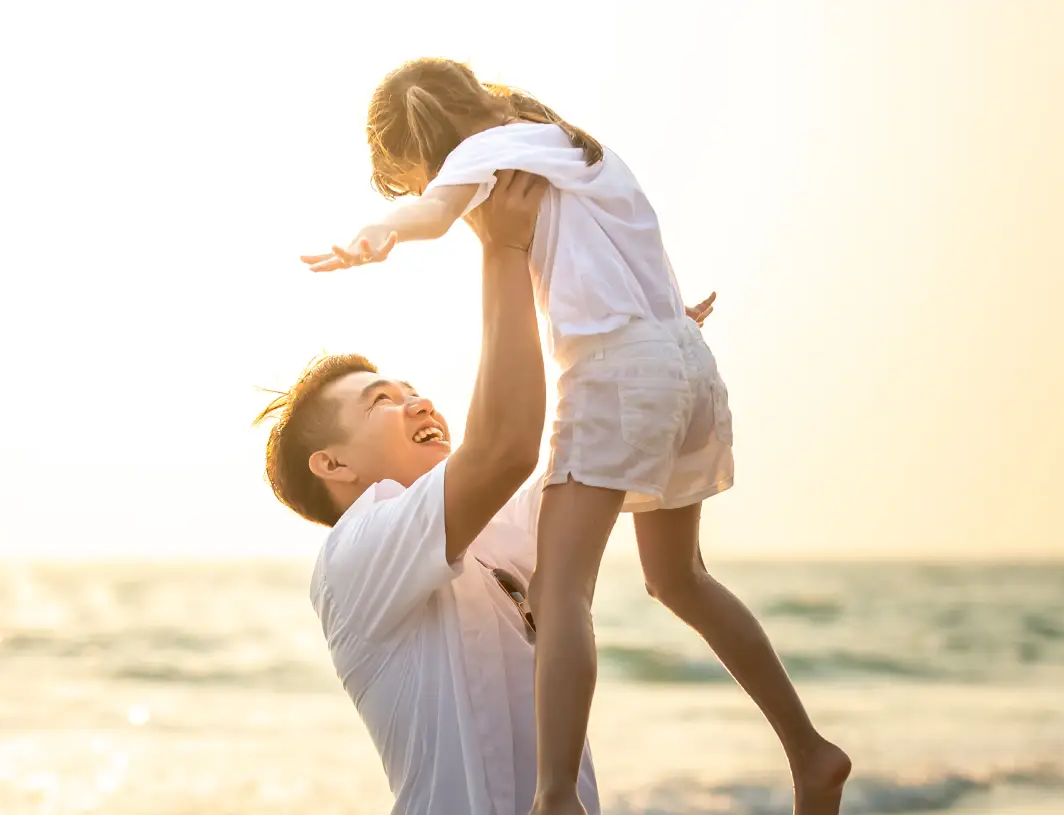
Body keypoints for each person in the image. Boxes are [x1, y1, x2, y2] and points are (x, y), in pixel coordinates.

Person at [299, 58, 850, 815]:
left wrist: (378, 233)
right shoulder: (569, 142)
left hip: (620, 369)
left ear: (421, 136)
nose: (415, 398)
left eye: (411, 174)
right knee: (679, 577)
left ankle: (556, 794)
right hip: (681, 356)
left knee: (561, 590)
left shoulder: (482, 152)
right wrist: (661, 335)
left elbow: (432, 215)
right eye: (381, 401)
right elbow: (631, 253)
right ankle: (807, 749)